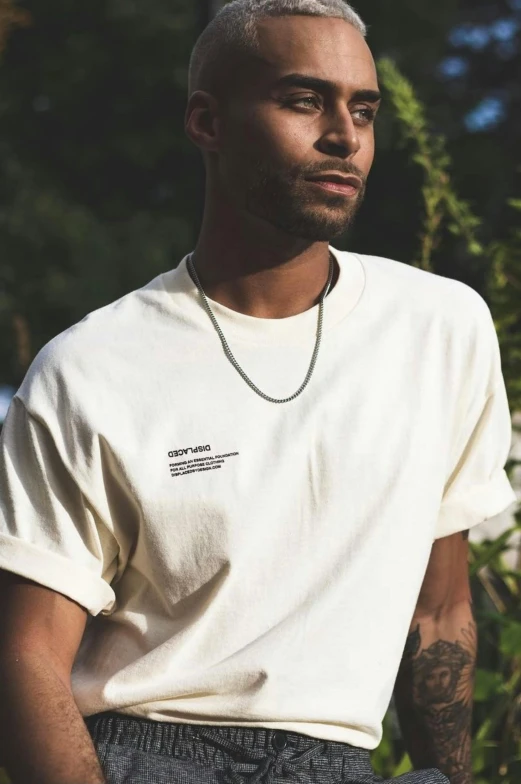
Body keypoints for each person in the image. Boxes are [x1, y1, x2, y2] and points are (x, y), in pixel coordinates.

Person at [0, 0, 517, 782]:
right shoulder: (94, 366)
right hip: (150, 752)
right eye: (303, 100)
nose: (343, 136)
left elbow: (437, 611)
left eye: (364, 109)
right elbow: (28, 652)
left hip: (343, 760)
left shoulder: (439, 327)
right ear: (206, 121)